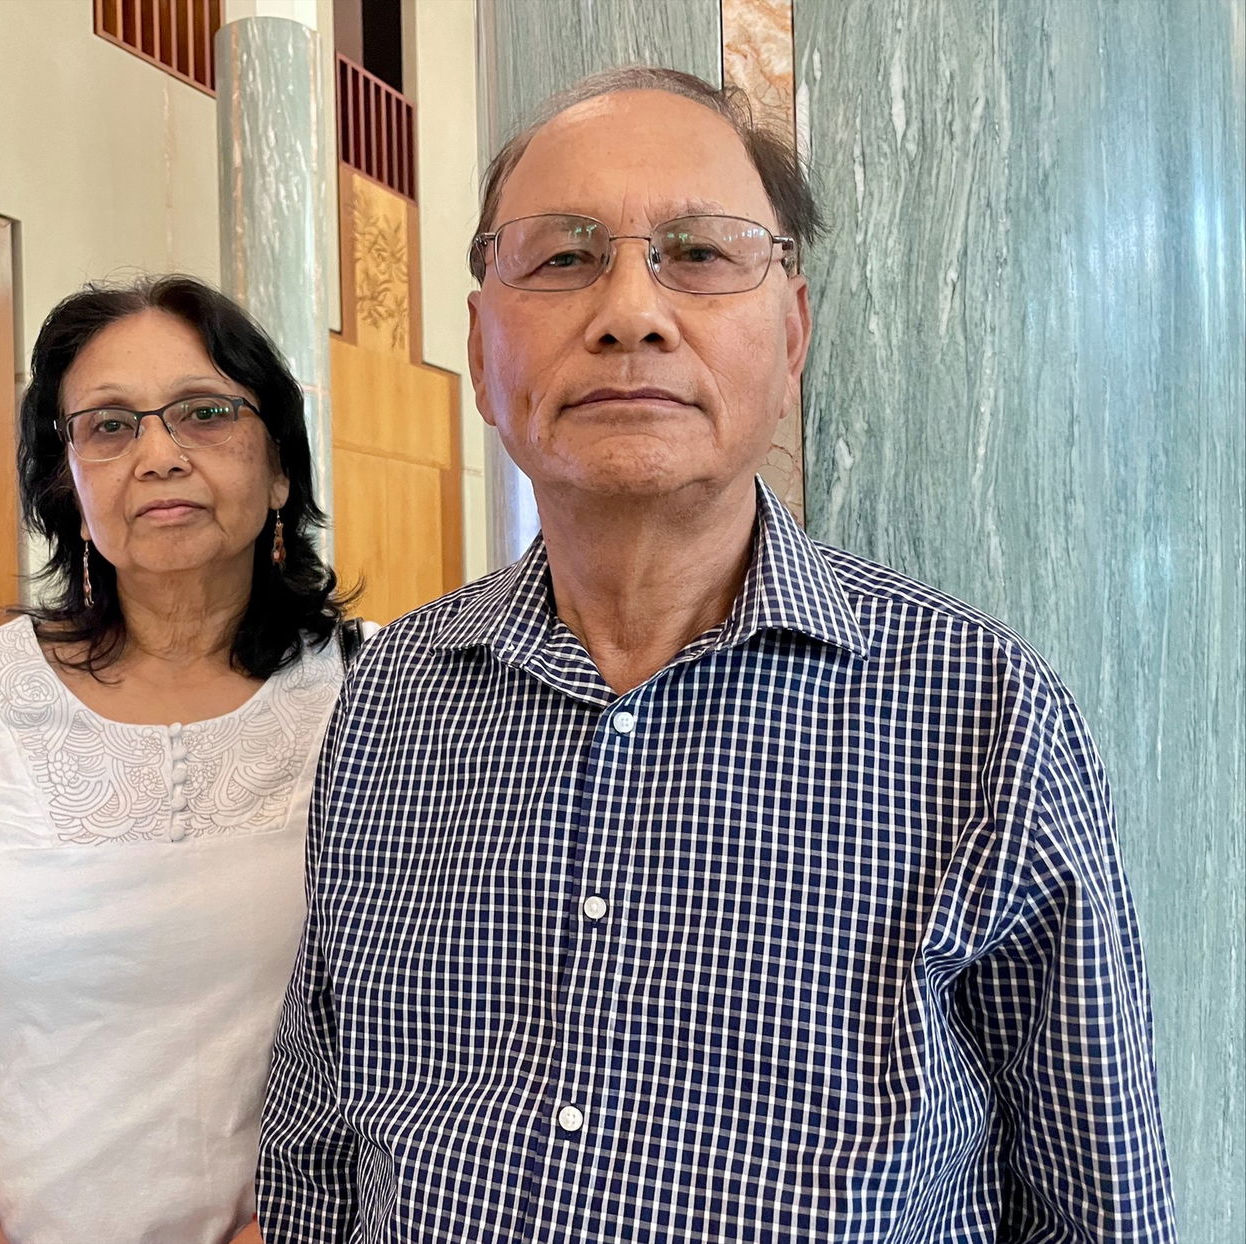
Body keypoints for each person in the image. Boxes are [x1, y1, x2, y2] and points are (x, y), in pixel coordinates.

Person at [257, 68, 1175, 1241]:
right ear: (482, 346)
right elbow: (313, 1156)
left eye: (697, 254)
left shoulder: (981, 713)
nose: (629, 310)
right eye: (561, 257)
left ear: (791, 333)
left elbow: (1100, 1207)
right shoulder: (392, 697)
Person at [0, 275, 359, 1244]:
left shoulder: (385, 696)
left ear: (279, 466)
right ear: (64, 479)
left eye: (205, 412)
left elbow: (439, 1028)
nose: (158, 454)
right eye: (107, 426)